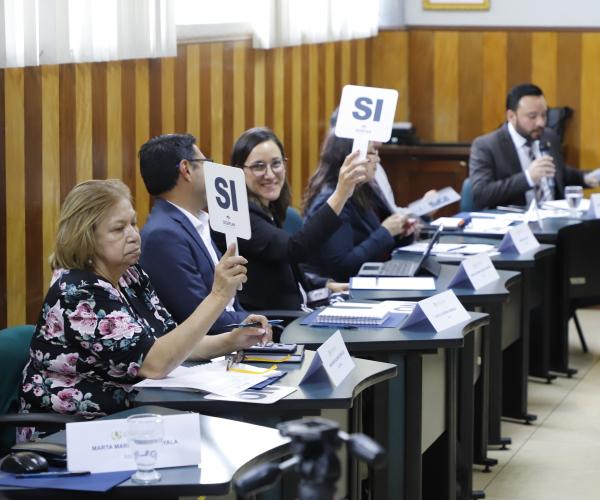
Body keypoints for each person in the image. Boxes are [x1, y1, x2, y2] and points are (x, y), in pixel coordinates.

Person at [17, 180, 270, 421]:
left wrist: (232, 340)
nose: (133, 235)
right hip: (72, 434)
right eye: (119, 229)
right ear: (86, 237)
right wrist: (218, 295)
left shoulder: (130, 274)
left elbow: (174, 343)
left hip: (134, 417)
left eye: (134, 224)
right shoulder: (78, 292)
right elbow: (156, 363)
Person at [214, 127, 368, 310]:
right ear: (239, 170)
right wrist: (340, 194)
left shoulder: (268, 207)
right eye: (258, 166)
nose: (270, 174)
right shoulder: (238, 216)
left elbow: (283, 269)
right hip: (271, 326)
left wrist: (324, 285)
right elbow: (294, 249)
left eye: (276, 164)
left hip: (298, 311)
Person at [138, 134, 250, 334]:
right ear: (186, 169)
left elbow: (230, 302)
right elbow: (201, 318)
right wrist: (254, 322)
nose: (212, 170)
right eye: (206, 162)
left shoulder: (196, 222)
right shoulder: (164, 235)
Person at [468, 83, 600, 210]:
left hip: (554, 219)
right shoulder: (486, 146)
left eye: (544, 115)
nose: (541, 122)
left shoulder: (549, 136)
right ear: (511, 116)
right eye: (532, 116)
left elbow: (559, 173)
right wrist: (528, 178)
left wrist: (587, 177)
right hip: (515, 226)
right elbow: (481, 195)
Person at [302, 134, 415, 282]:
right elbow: (342, 268)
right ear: (349, 157)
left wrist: (401, 234)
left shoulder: (363, 190)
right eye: (371, 152)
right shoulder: (332, 201)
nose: (377, 159)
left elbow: (374, 245)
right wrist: (386, 232)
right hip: (335, 291)